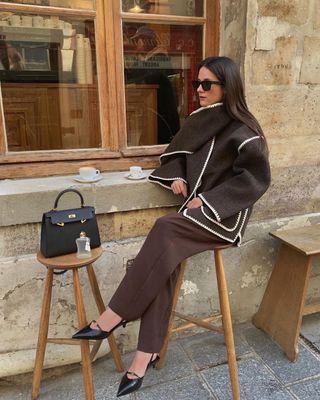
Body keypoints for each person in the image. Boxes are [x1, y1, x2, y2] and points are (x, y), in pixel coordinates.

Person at [72, 56, 271, 397]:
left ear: (228, 87)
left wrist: (208, 202)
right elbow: (179, 151)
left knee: (165, 227)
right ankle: (144, 357)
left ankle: (112, 317)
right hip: (194, 213)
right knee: (163, 264)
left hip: (222, 218)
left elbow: (256, 180)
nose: (199, 90)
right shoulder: (202, 120)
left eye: (207, 85)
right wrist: (177, 173)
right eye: (197, 84)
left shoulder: (245, 130)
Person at [125, 26, 180, 144]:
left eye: (137, 40)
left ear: (145, 40)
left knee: (161, 140)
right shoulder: (145, 59)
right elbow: (133, 76)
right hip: (152, 110)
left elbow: (150, 77)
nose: (136, 44)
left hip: (163, 110)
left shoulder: (160, 58)